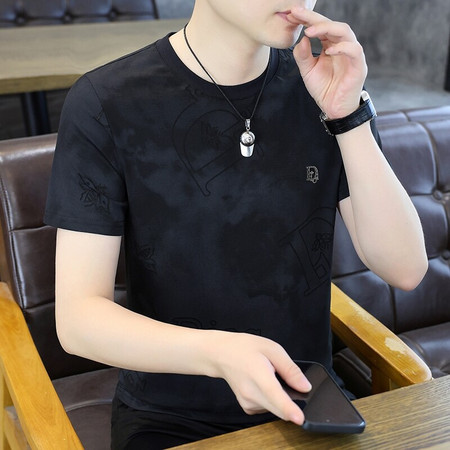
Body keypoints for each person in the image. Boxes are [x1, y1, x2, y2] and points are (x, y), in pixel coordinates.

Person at [44, 1, 428, 448]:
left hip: (307, 402)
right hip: (170, 417)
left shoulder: (322, 85)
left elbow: (405, 269)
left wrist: (348, 116)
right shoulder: (106, 100)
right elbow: (78, 319)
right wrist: (220, 353)